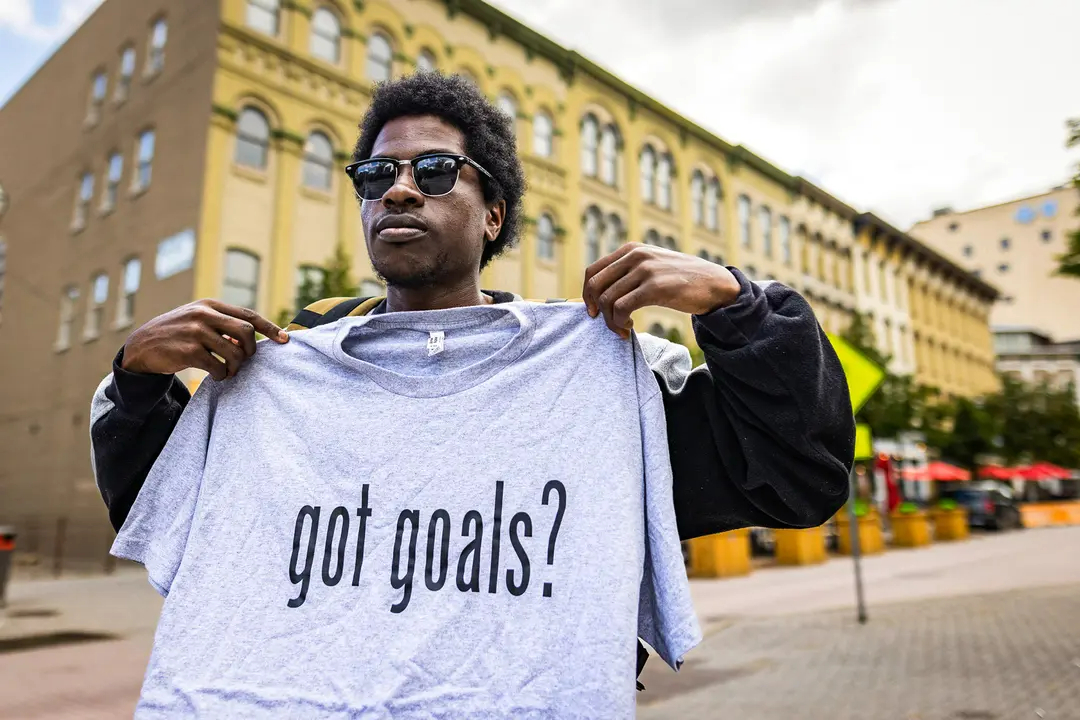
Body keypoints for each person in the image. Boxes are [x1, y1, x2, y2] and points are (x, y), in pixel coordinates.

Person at [91, 71, 853, 561]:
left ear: (494, 215)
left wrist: (740, 306)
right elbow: (170, 521)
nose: (397, 190)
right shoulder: (283, 374)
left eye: (432, 170)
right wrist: (136, 383)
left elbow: (797, 477)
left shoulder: (596, 372)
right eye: (375, 175)